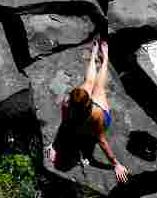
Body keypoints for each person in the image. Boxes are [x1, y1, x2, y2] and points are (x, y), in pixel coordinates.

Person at [47, 40, 129, 183]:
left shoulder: (83, 110)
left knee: (94, 85)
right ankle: (98, 58)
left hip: (98, 115)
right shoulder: (72, 106)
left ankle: (102, 59)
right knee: (95, 85)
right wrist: (55, 146)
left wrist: (116, 164)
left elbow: (101, 141)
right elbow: (66, 124)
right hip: (93, 114)